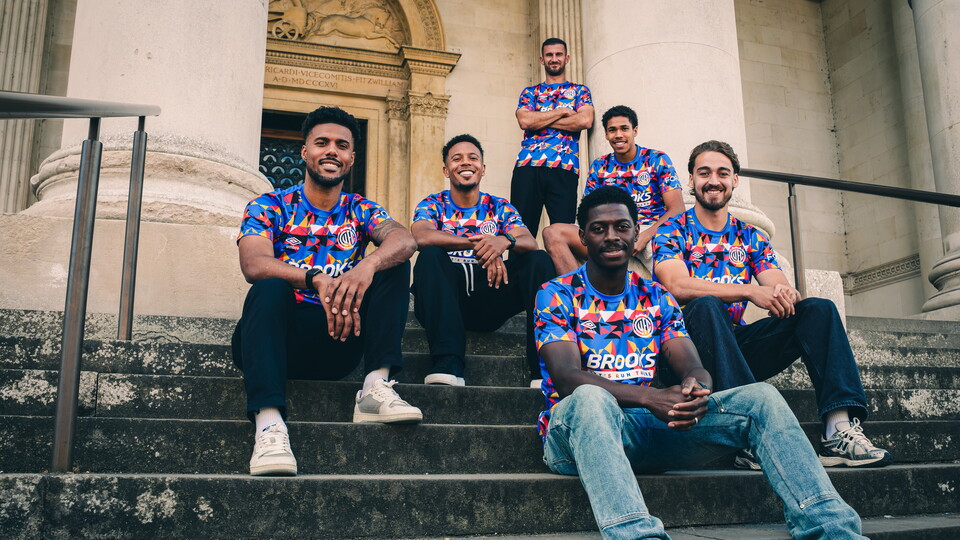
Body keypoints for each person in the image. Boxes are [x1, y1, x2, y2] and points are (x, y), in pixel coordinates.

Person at [535, 186, 867, 539]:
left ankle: (834, 530)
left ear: (635, 235)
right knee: (590, 398)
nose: (612, 236)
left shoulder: (655, 296)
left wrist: (696, 389)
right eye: (599, 229)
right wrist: (650, 397)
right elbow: (567, 377)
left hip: (644, 430)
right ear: (583, 237)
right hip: (574, 436)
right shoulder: (557, 292)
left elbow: (692, 365)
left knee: (762, 398)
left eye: (622, 227)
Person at [652, 140, 892, 469]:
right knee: (707, 305)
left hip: (732, 347)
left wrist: (783, 294)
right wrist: (749, 291)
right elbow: (676, 286)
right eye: (704, 173)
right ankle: (749, 432)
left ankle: (838, 430)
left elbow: (778, 284)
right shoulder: (671, 230)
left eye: (722, 173)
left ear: (735, 180)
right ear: (691, 180)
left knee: (818, 310)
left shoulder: (750, 236)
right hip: (684, 355)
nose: (713, 180)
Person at [233, 106, 421, 476]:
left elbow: (405, 240)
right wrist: (315, 278)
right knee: (269, 288)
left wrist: (366, 265)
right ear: (305, 152)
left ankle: (374, 387)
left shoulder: (360, 208)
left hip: (339, 341)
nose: (331, 150)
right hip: (279, 339)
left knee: (393, 263)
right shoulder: (270, 205)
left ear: (351, 158)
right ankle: (269, 425)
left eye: (341, 145)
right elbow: (253, 264)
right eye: (322, 143)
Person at [411, 134, 555, 386]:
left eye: (473, 158)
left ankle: (542, 370)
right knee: (430, 255)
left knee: (538, 260)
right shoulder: (433, 203)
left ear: (483, 168)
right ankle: (448, 362)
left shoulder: (498, 206)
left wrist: (504, 241)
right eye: (457, 159)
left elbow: (528, 241)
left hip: (488, 297)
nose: (466, 163)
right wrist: (483, 244)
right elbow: (421, 236)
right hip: (445, 298)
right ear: (446, 170)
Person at [542, 105, 684, 275]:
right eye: (612, 130)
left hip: (650, 229)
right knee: (552, 232)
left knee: (673, 276)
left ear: (635, 131)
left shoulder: (656, 159)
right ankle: (577, 288)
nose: (618, 135)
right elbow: (588, 211)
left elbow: (677, 209)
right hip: (609, 230)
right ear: (606, 134)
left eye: (624, 128)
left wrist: (645, 236)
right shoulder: (600, 166)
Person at [511, 37, 594, 237]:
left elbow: (584, 121)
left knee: (564, 233)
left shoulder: (580, 91)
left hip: (564, 168)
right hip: (528, 166)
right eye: (549, 55)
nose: (554, 59)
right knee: (520, 233)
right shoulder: (530, 92)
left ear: (567, 58)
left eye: (558, 54)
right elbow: (525, 121)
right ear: (542, 60)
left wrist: (540, 119)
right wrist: (562, 111)